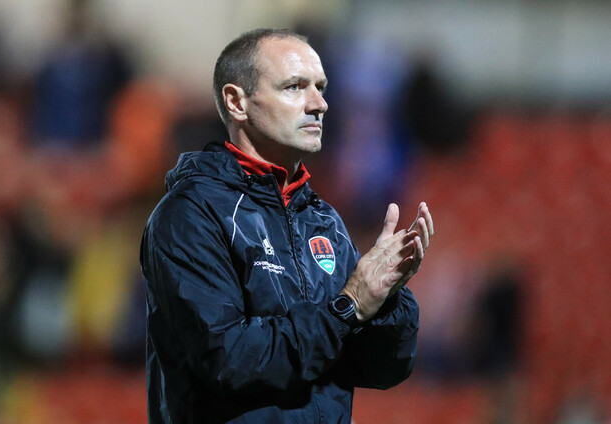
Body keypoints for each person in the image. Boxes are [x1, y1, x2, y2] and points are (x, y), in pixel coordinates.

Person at [140, 28, 434, 424]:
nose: (319, 104)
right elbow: (229, 359)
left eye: (321, 87)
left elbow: (382, 370)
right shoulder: (191, 214)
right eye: (295, 87)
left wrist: (387, 298)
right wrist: (348, 307)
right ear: (237, 102)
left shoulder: (322, 221)